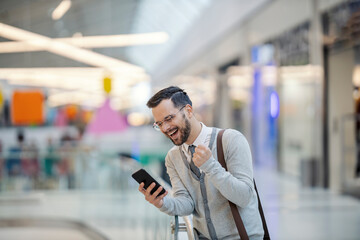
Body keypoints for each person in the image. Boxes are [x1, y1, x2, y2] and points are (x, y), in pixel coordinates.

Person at [138, 86, 264, 240]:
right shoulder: (173, 157)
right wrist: (162, 203)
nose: (165, 128)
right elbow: (187, 203)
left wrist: (210, 166)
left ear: (189, 111)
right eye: (159, 124)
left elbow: (244, 197)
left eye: (169, 118)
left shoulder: (231, 140)